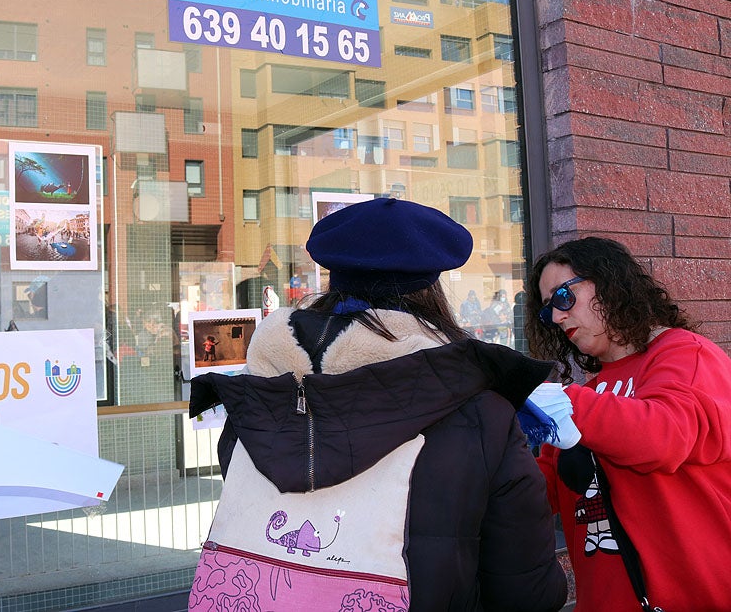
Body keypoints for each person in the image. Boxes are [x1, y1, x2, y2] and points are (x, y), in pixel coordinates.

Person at [188, 197, 566, 611]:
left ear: (334, 279)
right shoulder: (478, 411)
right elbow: (526, 592)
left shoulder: (261, 394)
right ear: (431, 290)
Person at [524, 236, 731, 612]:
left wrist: (558, 398)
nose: (555, 317)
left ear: (608, 283)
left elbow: (665, 436)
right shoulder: (585, 393)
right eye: (547, 311)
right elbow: (539, 492)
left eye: (562, 297)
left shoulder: (686, 354)